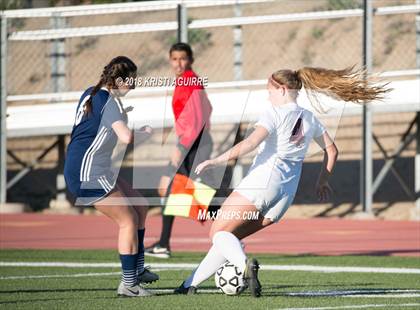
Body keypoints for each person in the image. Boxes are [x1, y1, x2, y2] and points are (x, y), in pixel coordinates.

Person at [174, 67, 389, 297]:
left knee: (217, 232)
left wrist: (215, 160)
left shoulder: (273, 113)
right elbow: (332, 151)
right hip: (286, 193)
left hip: (263, 182)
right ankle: (189, 285)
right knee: (228, 238)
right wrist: (322, 181)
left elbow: (250, 143)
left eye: (270, 91)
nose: (268, 96)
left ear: (283, 90)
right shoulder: (309, 117)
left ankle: (244, 266)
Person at [64, 56, 159, 297]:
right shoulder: (109, 102)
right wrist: (145, 132)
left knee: (140, 205)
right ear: (118, 80)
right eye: (130, 81)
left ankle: (136, 271)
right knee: (127, 220)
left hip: (92, 166)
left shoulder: (92, 92)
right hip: (88, 172)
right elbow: (126, 137)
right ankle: (129, 284)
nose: (133, 86)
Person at [145, 43, 213, 258]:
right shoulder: (187, 81)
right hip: (195, 143)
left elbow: (195, 120)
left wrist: (181, 146)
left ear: (190, 59)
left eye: (182, 58)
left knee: (187, 193)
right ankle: (164, 243)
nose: (178, 63)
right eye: (174, 59)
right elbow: (207, 108)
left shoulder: (189, 82)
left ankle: (235, 227)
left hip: (194, 145)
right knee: (171, 190)